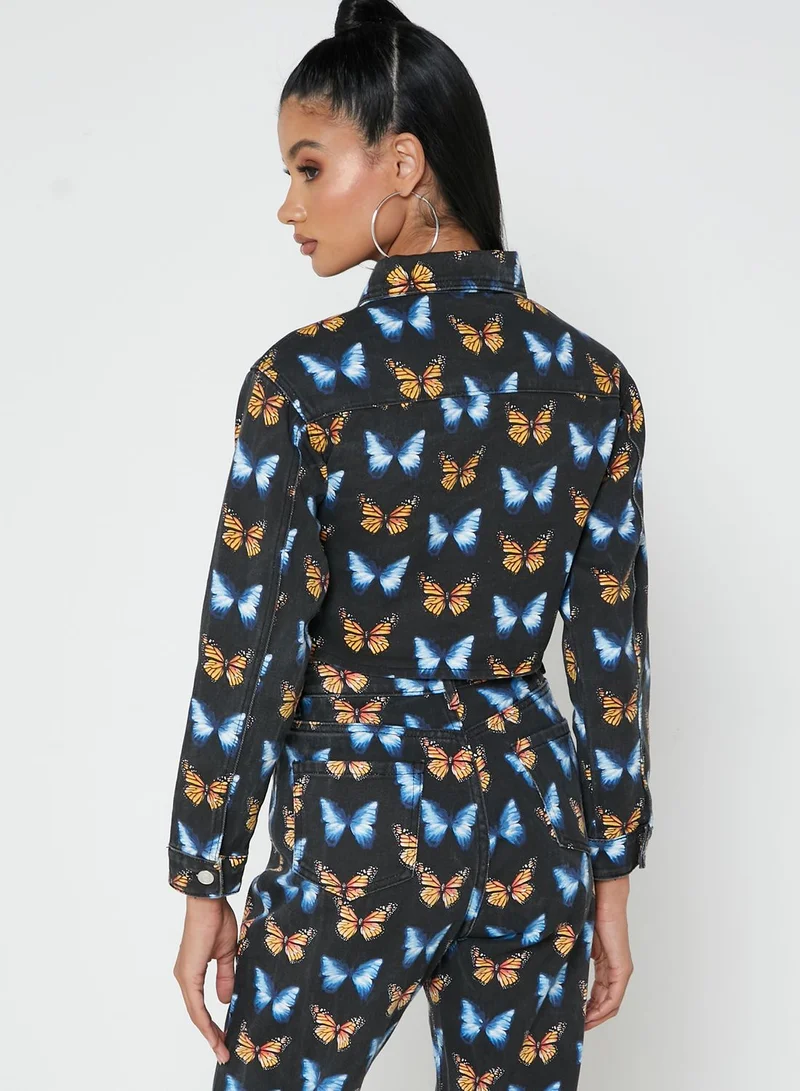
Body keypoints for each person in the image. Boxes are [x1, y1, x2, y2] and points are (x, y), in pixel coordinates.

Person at [168, 2, 653, 1088]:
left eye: (308, 167)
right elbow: (609, 658)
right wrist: (610, 875)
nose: (288, 205)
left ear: (401, 162)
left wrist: (206, 876)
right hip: (531, 821)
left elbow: (248, 644)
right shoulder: (593, 383)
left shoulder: (303, 381)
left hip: (359, 816)